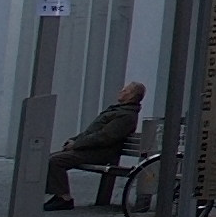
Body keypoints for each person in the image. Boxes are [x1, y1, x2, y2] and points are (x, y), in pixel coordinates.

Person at [42, 80, 147, 210]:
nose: (121, 91)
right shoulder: (120, 110)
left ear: (131, 96)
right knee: (49, 158)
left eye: (125, 90)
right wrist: (74, 140)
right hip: (91, 149)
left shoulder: (126, 115)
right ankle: (58, 195)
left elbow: (104, 137)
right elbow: (92, 131)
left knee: (56, 161)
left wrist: (76, 144)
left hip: (100, 153)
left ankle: (64, 198)